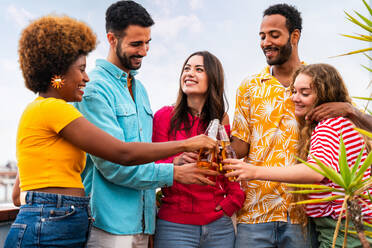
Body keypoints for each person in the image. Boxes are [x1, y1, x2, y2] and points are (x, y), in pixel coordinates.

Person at [5, 15, 217, 248]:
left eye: (148, 43)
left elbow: (18, 193)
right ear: (58, 74)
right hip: (61, 223)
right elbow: (121, 153)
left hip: (66, 219)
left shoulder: (48, 110)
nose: (86, 78)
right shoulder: (58, 109)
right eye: (81, 70)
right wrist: (187, 145)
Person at [73, 1, 218, 247]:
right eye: (136, 44)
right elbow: (114, 165)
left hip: (142, 224)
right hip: (108, 225)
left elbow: (144, 154)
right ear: (112, 39)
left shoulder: (139, 89)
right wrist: (175, 173)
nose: (144, 51)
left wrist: (174, 162)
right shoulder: (94, 88)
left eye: (148, 42)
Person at [229, 3, 372, 248]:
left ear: (294, 36)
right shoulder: (249, 86)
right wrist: (209, 138)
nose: (266, 42)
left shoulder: (318, 82)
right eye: (262, 36)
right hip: (256, 211)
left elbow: (358, 135)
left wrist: (350, 110)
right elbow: (240, 146)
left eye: (274, 35)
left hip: (302, 215)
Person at [152, 51, 245, 248]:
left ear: (213, 78)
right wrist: (176, 161)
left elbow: (229, 166)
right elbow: (151, 165)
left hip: (219, 227)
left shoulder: (222, 120)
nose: (190, 73)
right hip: (174, 226)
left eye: (199, 69)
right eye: (187, 68)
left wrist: (232, 202)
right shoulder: (164, 116)